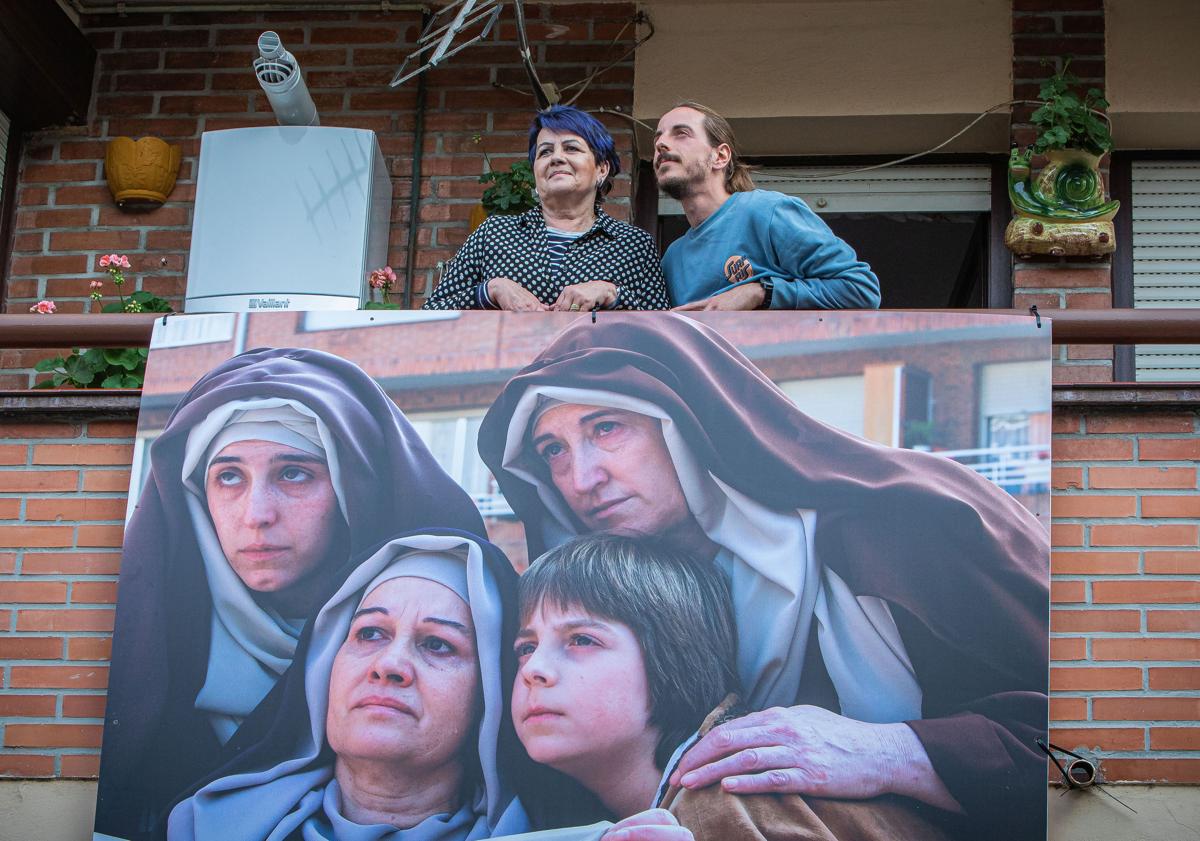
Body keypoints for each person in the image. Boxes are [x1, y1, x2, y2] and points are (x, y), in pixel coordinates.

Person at [476, 314, 1049, 841]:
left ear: (688, 419)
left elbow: (1104, 734)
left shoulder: (908, 519)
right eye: (552, 449)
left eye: (606, 428)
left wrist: (891, 751)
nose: (581, 478)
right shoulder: (603, 608)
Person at [96, 348, 486, 840]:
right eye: (229, 477)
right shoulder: (145, 646)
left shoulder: (441, 627)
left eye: (293, 473)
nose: (256, 513)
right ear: (199, 499)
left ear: (352, 490)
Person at [512, 534, 956, 841]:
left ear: (674, 656)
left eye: (582, 640)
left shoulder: (737, 803)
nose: (536, 668)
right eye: (525, 647)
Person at [167, 531, 531, 841]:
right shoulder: (202, 827)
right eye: (370, 633)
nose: (389, 665)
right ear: (323, 669)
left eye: (437, 644)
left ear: (490, 691)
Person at [423, 105, 669, 312]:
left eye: (571, 148)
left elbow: (661, 330)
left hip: (594, 369)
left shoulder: (634, 245)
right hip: (510, 370)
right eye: (545, 151)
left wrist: (612, 294)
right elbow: (432, 313)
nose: (556, 158)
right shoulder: (494, 233)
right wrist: (491, 290)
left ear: (602, 169)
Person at [653, 101, 880, 310]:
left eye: (681, 133)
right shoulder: (672, 258)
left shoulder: (768, 211)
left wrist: (761, 291)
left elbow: (861, 289)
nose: (661, 144)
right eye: (657, 139)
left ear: (720, 156)